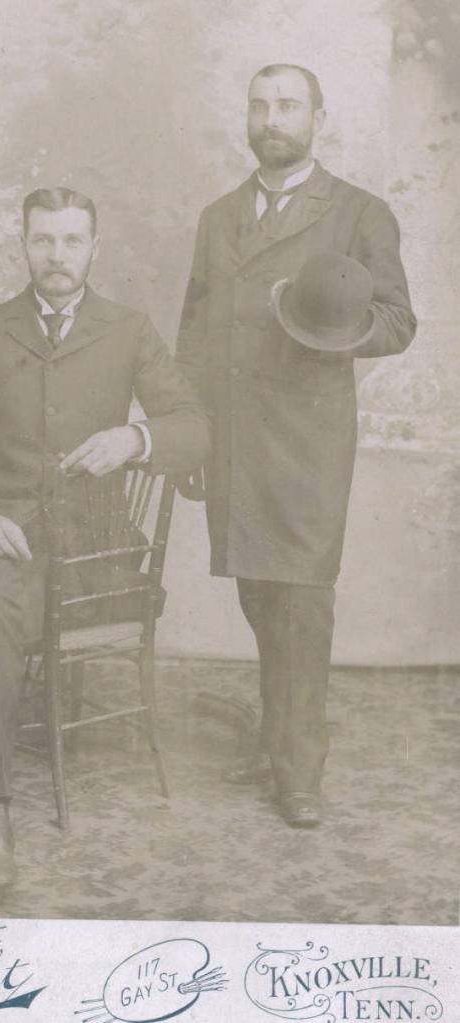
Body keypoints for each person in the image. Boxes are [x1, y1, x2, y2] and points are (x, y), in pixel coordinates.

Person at [0, 187, 210, 889]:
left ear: (94, 248)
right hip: (4, 536)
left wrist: (134, 437)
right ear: (24, 246)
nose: (57, 255)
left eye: (71, 241)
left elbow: (194, 428)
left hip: (92, 550)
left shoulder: (128, 329)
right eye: (43, 240)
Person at [175, 64, 416, 828]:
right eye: (259, 105)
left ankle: (299, 768)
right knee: (257, 594)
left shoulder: (359, 212)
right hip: (233, 437)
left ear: (318, 118)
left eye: (287, 105)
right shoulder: (218, 217)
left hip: (307, 444)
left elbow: (397, 320)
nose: (271, 119)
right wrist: (188, 432)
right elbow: (193, 327)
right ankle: (277, 738)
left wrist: (331, 326)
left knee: (302, 604)